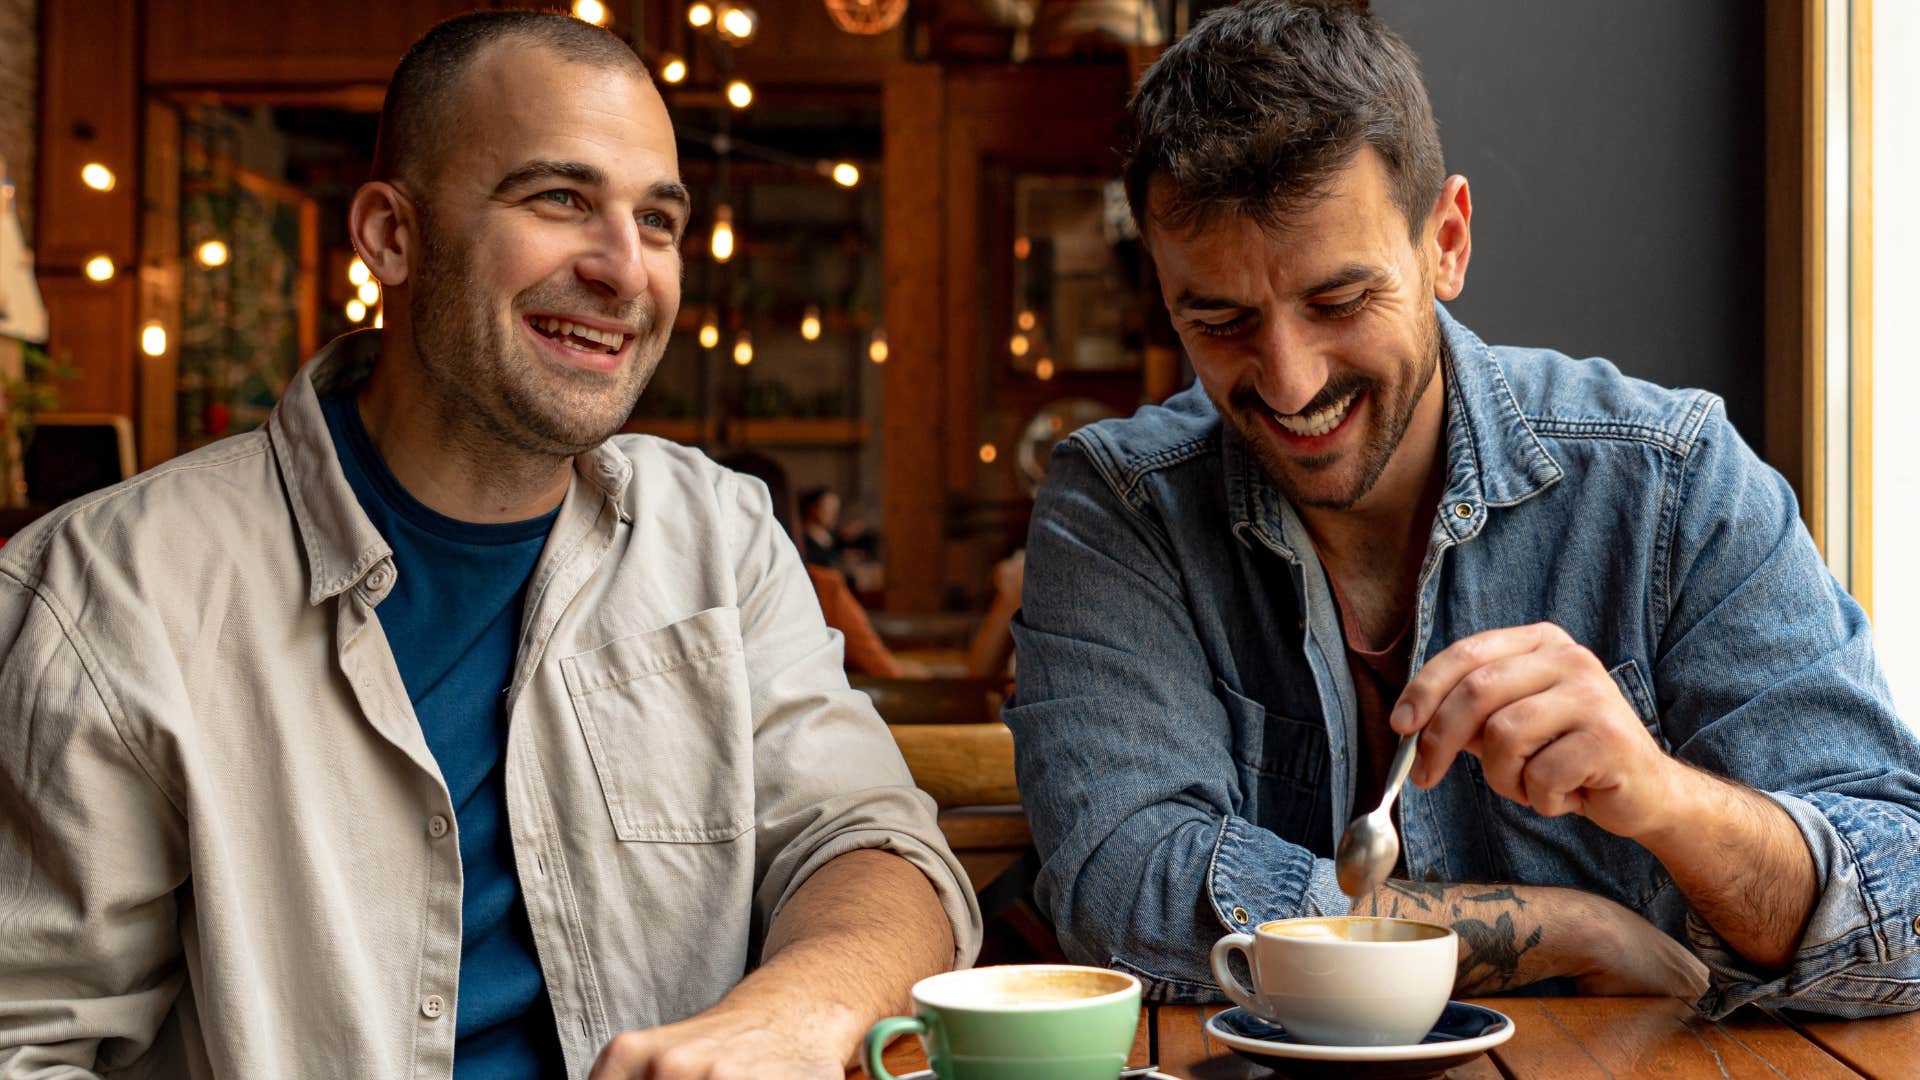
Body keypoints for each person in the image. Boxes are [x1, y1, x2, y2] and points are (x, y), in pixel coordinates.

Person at [0, 12, 979, 1079]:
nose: (626, 270)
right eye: (559, 199)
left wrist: (793, 1014)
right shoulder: (103, 593)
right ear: (391, 236)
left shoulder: (721, 534)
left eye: (657, 220)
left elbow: (870, 843)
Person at [1005, 0, 1920, 1020]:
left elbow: (1904, 901)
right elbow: (1125, 892)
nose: (1290, 382)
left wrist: (1666, 802)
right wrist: (1569, 930)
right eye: (1219, 322)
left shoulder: (1674, 479)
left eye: (1339, 303)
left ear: (1445, 242)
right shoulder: (1122, 507)